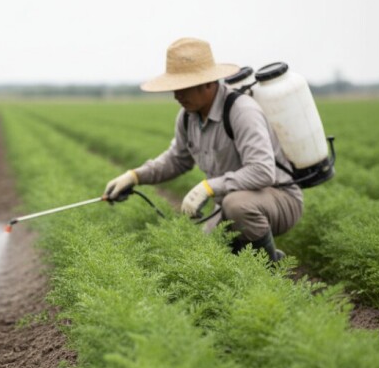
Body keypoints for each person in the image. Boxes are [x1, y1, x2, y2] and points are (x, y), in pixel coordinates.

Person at [104, 37, 302, 261]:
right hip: (227, 204)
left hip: (278, 198)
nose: (176, 95)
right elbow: (176, 160)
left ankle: (272, 267)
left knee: (237, 205)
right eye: (173, 88)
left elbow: (262, 171)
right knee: (201, 258)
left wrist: (209, 187)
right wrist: (135, 176)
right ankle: (250, 257)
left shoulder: (242, 111)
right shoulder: (188, 117)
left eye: (182, 88)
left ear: (207, 83)